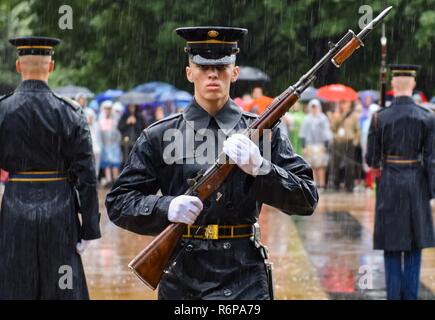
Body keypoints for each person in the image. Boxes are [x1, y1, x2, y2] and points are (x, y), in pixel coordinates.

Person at [105, 26, 318, 300]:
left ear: (235, 72)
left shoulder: (263, 132)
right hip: (183, 276)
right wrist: (166, 207)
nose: (213, 74)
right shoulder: (159, 135)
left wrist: (261, 168)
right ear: (189, 72)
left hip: (244, 278)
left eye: (222, 66)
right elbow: (119, 202)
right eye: (203, 67)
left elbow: (306, 198)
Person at [0, 36, 101, 299]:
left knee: (15, 285)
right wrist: (89, 227)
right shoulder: (70, 112)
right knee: (63, 288)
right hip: (60, 211)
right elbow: (87, 176)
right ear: (51, 66)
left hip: (14, 210)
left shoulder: (2, 110)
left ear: (18, 66)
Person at [366, 64, 435, 300]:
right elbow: (432, 160)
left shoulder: (379, 118)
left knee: (392, 246)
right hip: (417, 183)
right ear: (414, 84)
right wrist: (433, 193)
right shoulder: (427, 117)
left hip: (390, 184)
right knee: (415, 246)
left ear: (394, 85)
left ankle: (394, 296)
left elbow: (371, 159)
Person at [299, 99, 332, 190]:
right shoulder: (307, 119)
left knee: (321, 166)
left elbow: (326, 132)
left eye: (315, 107)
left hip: (320, 145)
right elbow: (303, 133)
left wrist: (326, 145)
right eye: (312, 107)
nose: (314, 109)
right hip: (309, 145)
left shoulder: (323, 118)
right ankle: (314, 184)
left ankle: (321, 184)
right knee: (312, 166)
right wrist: (304, 146)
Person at [329, 99, 360, 192]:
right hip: (338, 141)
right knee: (336, 163)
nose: (343, 105)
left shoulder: (354, 116)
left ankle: (349, 185)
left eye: (345, 103)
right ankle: (336, 184)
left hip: (349, 141)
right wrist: (337, 117)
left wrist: (355, 141)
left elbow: (357, 130)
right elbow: (333, 129)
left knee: (349, 164)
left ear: (350, 104)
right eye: (342, 103)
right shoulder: (337, 115)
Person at [99, 100, 122, 188]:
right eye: (106, 109)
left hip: (114, 144)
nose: (107, 110)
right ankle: (108, 180)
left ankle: (115, 180)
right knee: (106, 163)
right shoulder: (101, 120)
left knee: (115, 162)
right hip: (105, 144)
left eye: (109, 109)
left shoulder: (115, 119)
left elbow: (118, 132)